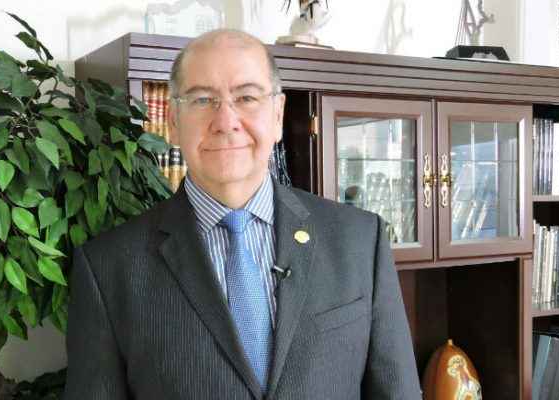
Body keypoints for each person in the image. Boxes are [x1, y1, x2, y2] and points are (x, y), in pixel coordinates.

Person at [64, 29, 421, 400]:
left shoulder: (360, 241)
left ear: (278, 114)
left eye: (247, 97)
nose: (226, 121)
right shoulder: (108, 268)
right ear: (173, 121)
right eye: (203, 99)